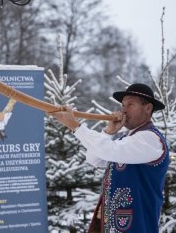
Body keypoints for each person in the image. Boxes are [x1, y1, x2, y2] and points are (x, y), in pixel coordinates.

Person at [49, 83, 169, 233]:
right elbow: (95, 158)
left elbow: (108, 150)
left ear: (148, 108)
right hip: (114, 224)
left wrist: (75, 126)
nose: (124, 109)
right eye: (123, 105)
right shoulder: (127, 140)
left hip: (137, 224)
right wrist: (108, 132)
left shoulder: (150, 138)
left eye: (131, 104)